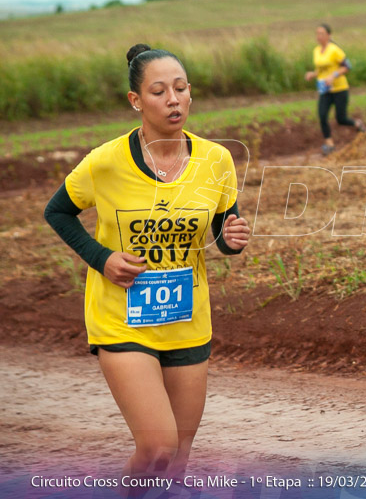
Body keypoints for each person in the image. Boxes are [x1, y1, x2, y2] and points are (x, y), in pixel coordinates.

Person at [43, 44, 250, 491]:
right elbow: (57, 211)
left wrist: (231, 241)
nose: (173, 99)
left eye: (180, 88)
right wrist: (102, 259)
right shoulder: (106, 162)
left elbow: (222, 227)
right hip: (122, 319)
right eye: (159, 91)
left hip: (187, 319)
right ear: (136, 100)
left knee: (178, 459)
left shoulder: (217, 160)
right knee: (157, 449)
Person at [304, 23, 366, 155]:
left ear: (328, 35)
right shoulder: (316, 51)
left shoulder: (334, 50)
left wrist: (334, 75)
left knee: (341, 119)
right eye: (317, 33)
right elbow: (321, 68)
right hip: (325, 90)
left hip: (340, 89)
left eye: (321, 34)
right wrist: (313, 74)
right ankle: (330, 144)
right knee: (322, 115)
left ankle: (357, 124)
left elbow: (347, 66)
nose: (319, 36)